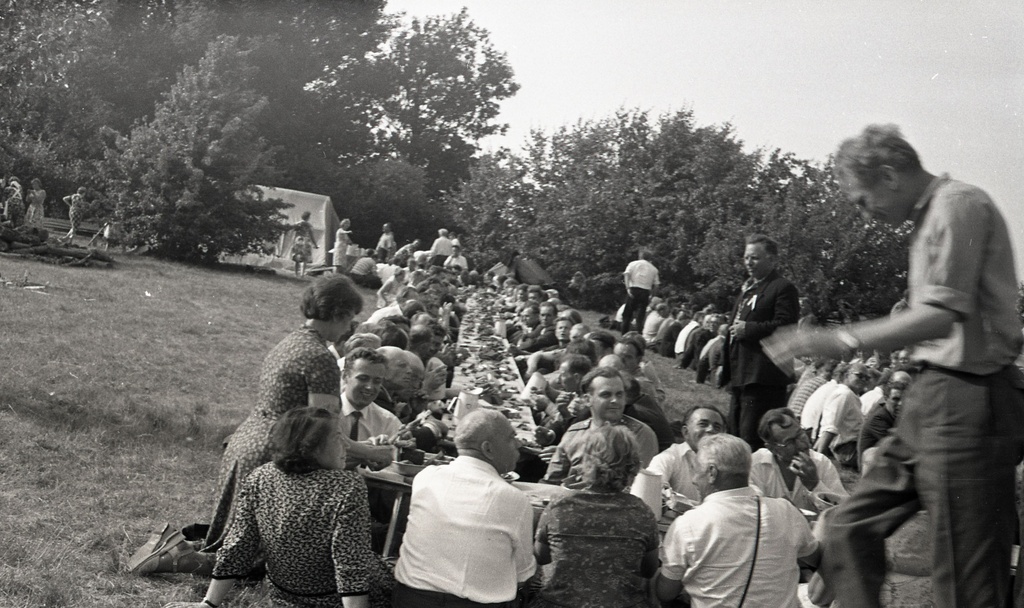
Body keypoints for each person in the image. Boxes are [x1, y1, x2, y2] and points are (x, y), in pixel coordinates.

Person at [761, 124, 1024, 608]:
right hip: (932, 397)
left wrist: (837, 339)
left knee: (965, 583)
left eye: (863, 201)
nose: (865, 215)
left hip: (971, 398)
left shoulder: (959, 205)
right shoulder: (930, 220)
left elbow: (942, 315)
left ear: (889, 175)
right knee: (845, 528)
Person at [203, 276, 392, 552]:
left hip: (248, 444)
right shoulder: (319, 357)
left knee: (236, 544)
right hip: (274, 454)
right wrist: (371, 454)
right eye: (350, 318)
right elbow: (323, 429)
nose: (349, 327)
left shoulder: (290, 343)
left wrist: (361, 449)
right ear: (338, 313)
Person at [163, 408, 393, 608]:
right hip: (335, 600)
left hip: (283, 598)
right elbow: (350, 564)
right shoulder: (347, 487)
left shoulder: (261, 477)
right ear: (310, 447)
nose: (346, 445)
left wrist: (209, 603)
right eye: (336, 437)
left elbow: (238, 546)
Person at [656, 434, 820, 608]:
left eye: (696, 470)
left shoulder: (687, 524)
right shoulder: (785, 510)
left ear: (712, 473)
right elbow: (817, 558)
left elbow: (665, 593)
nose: (694, 479)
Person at [393, 409, 536, 607]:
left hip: (410, 598)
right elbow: (523, 571)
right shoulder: (513, 498)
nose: (519, 443)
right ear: (488, 449)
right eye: (512, 437)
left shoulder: (426, 477)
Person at [531, 425, 659, 608]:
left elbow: (542, 557)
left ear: (586, 462)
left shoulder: (559, 506)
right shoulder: (642, 512)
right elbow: (649, 570)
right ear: (633, 466)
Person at [720, 234, 799, 451]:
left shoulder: (782, 288)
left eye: (754, 258)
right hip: (741, 375)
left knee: (751, 438)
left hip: (763, 379)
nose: (748, 262)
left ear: (772, 260)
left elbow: (786, 324)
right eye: (746, 258)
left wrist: (750, 329)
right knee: (734, 434)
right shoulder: (748, 290)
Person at [543, 367, 658, 485]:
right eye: (606, 395)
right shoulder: (574, 433)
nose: (615, 400)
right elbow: (551, 481)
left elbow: (641, 486)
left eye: (619, 395)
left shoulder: (641, 435)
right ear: (587, 400)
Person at [748, 408, 847, 514]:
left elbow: (845, 512)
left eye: (800, 434)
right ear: (772, 448)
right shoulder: (755, 466)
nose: (800, 444)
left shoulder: (821, 462)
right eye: (790, 442)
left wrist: (815, 485)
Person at [647, 405, 726, 504]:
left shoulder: (729, 464)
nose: (710, 429)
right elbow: (652, 485)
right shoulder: (669, 457)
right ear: (685, 432)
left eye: (717, 427)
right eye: (703, 424)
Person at [621, 250, 659, 335]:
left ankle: (624, 334)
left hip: (634, 289)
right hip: (645, 292)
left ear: (641, 256)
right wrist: (652, 295)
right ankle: (639, 335)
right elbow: (656, 285)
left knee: (627, 315)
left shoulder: (633, 264)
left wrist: (627, 288)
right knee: (640, 317)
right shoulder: (654, 269)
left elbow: (626, 275)